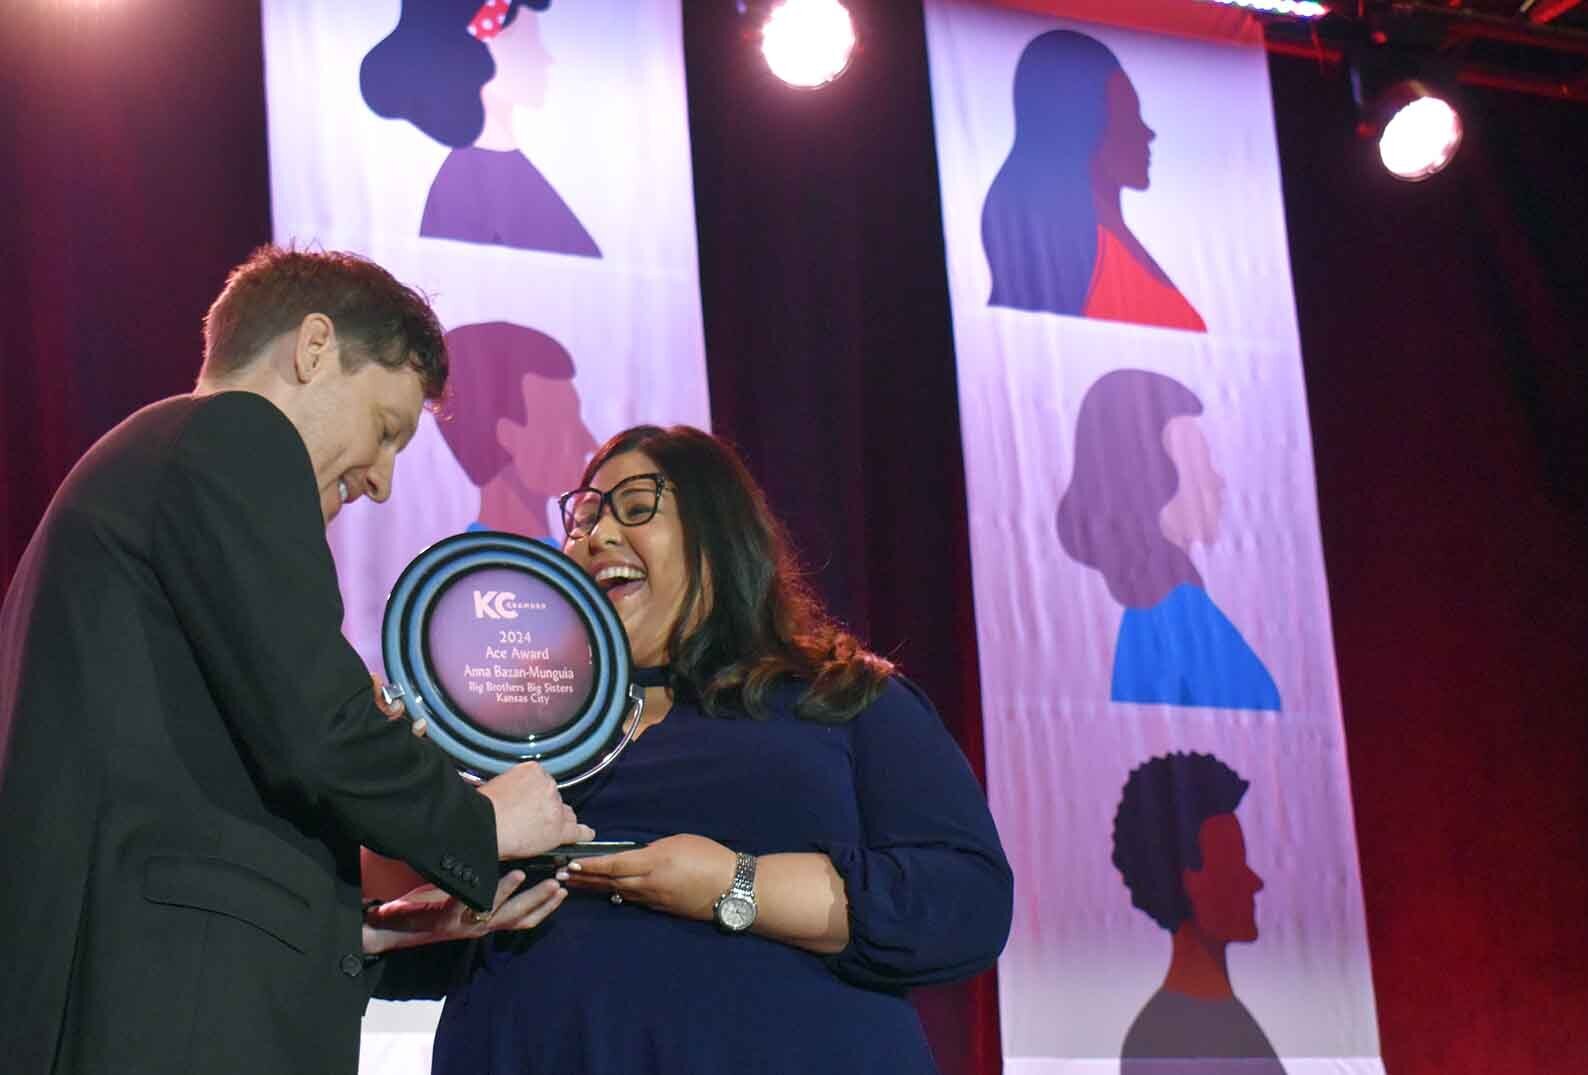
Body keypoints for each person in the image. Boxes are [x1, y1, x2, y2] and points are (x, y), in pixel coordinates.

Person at [0, 246, 592, 1075]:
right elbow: (318, 727)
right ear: (315, 348)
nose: (383, 481)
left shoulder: (144, 474)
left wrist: (357, 924)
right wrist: (485, 821)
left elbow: (185, 796)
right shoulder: (233, 436)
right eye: (386, 430)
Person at [373, 424, 1014, 1073]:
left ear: (719, 535)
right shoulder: (510, 737)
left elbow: (965, 902)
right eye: (584, 517)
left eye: (635, 505)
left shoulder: (841, 699)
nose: (595, 535)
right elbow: (413, 938)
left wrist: (730, 883)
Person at [1056, 369, 1280, 710]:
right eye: (1202, 464)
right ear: (1153, 483)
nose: (1219, 481)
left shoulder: (1166, 609)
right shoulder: (1174, 613)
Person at [981, 29, 1205, 332]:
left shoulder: (1112, 253)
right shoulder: (1081, 263)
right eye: (1129, 117)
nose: (1147, 133)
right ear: (1082, 127)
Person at [360, 0, 601, 256]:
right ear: (470, 57)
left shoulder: (507, 171)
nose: (546, 58)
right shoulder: (463, 190)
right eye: (526, 41)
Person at [1111, 752, 1284, 1073]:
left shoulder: (1228, 1020)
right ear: (1188, 882)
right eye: (1233, 863)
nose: (1254, 882)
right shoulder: (1162, 1041)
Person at [436, 320, 597, 542]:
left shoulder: (566, 564)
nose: (591, 443)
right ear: (508, 437)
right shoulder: (482, 572)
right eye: (567, 420)